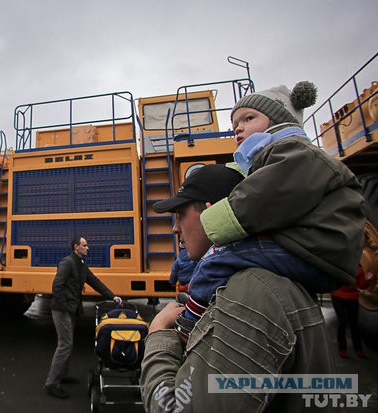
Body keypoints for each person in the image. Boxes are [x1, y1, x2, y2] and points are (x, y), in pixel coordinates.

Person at [172, 82, 366, 340]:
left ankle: (190, 319)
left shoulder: (292, 153)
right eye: (235, 124)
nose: (238, 127)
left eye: (249, 118)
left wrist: (212, 222)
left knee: (218, 258)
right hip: (321, 248)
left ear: (278, 122)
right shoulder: (281, 156)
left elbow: (259, 197)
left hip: (317, 248)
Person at [141, 164, 338, 412]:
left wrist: (158, 334)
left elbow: (174, 408)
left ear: (211, 215)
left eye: (180, 214)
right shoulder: (268, 275)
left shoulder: (247, 298)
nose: (174, 228)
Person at [44, 236, 122, 399]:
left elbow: (95, 282)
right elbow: (57, 286)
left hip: (70, 309)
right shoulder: (67, 263)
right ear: (75, 247)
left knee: (67, 343)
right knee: (65, 344)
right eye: (85, 245)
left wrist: (112, 296)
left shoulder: (81, 264)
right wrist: (65, 306)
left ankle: (62, 375)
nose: (88, 248)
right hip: (62, 310)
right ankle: (51, 384)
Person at [331, 265, 374, 358]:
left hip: (352, 297)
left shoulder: (359, 268)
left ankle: (358, 349)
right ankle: (342, 348)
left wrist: (368, 278)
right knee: (342, 322)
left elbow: (361, 285)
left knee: (354, 323)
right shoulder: (339, 265)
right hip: (338, 296)